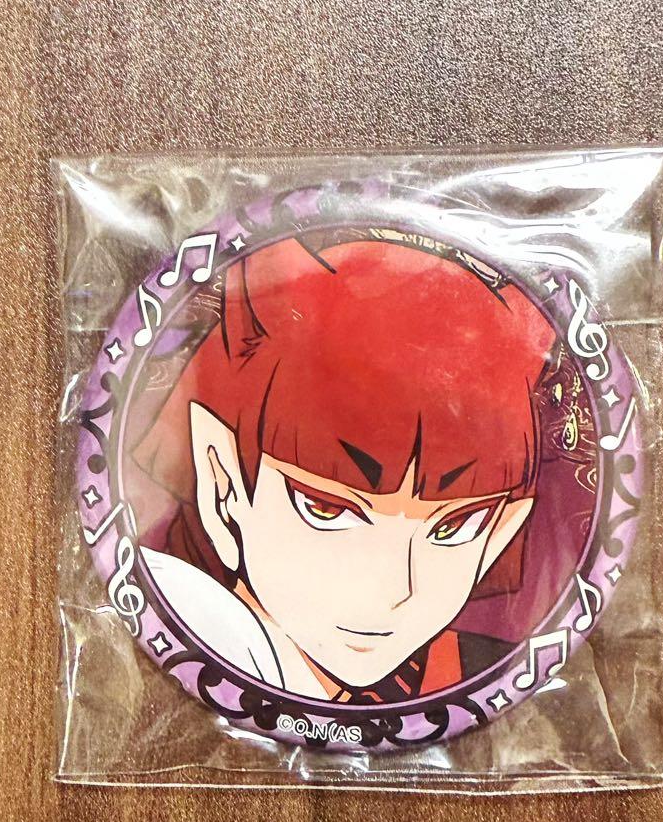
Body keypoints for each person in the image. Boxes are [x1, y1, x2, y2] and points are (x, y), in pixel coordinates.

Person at [131, 235, 555, 702]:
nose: (391, 591)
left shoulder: (483, 670)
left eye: (454, 526)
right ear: (223, 483)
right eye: (326, 509)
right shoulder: (181, 616)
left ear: (499, 534)